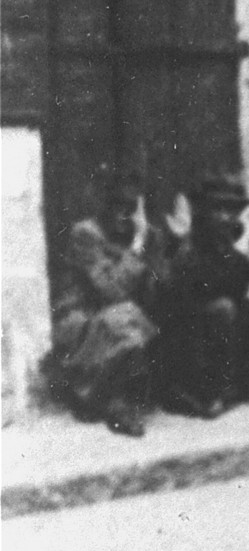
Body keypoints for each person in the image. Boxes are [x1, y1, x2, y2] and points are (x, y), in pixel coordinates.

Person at [153, 175, 249, 418]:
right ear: (204, 212)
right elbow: (202, 286)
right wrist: (240, 256)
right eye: (219, 210)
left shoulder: (229, 243)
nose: (227, 217)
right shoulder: (187, 244)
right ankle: (208, 392)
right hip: (188, 343)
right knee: (224, 308)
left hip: (222, 337)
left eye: (232, 211)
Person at [44, 181, 162, 436]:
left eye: (131, 210)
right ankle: (115, 405)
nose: (124, 216)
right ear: (104, 207)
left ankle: (122, 399)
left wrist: (153, 248)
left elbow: (154, 288)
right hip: (81, 323)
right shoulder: (85, 234)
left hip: (115, 320)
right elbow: (111, 290)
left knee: (132, 318)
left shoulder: (130, 235)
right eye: (118, 207)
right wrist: (137, 247)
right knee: (126, 317)